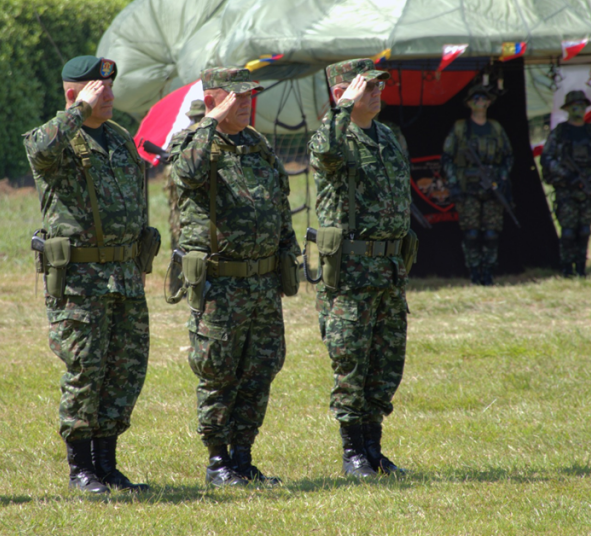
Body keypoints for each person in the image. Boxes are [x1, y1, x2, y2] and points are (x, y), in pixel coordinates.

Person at [24, 55, 156, 494]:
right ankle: (81, 469)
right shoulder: (58, 139)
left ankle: (107, 464)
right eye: (100, 91)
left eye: (110, 89)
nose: (110, 97)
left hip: (123, 274)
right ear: (73, 94)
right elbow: (38, 149)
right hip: (81, 279)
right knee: (85, 370)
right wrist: (78, 111)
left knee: (124, 371)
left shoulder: (118, 139)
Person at [168, 68, 301, 487]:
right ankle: (218, 461)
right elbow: (186, 172)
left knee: (261, 368)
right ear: (212, 101)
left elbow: (279, 201)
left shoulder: (256, 145)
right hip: (220, 284)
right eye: (236, 97)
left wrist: (286, 254)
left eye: (250, 96)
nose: (246, 103)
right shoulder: (195, 144)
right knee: (218, 371)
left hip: (262, 282)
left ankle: (243, 457)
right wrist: (210, 121)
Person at [308, 59, 411, 478]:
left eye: (378, 86)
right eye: (366, 88)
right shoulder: (335, 137)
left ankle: (373, 447)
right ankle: (353, 453)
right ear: (343, 94)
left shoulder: (386, 137)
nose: (376, 93)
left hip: (387, 269)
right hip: (351, 273)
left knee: (384, 364)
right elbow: (321, 151)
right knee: (351, 361)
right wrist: (341, 108)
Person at [440, 85, 514, 286]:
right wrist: (454, 184)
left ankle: (488, 272)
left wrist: (502, 179)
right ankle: (474, 272)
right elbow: (447, 158)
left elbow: (508, 157)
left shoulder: (496, 128)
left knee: (491, 233)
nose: (480, 102)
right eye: (476, 99)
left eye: (483, 98)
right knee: (471, 234)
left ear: (489, 102)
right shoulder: (460, 128)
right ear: (469, 104)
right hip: (468, 189)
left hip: (492, 188)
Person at [539, 90, 591, 277]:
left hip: (588, 192)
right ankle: (567, 268)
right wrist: (568, 177)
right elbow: (547, 159)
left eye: (582, 106)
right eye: (575, 106)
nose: (579, 109)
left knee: (584, 231)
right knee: (568, 231)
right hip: (566, 190)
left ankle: (581, 267)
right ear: (568, 109)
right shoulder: (560, 133)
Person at [165, 99, 206, 251]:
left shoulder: (184, 135)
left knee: (178, 225)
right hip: (181, 190)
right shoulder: (185, 136)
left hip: (183, 193)